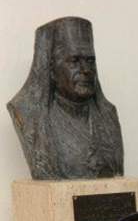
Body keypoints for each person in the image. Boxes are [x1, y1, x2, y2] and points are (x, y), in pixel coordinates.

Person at [7, 16, 123, 179]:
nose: (86, 70)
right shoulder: (29, 117)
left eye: (90, 61)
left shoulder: (108, 115)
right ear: (51, 70)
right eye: (74, 61)